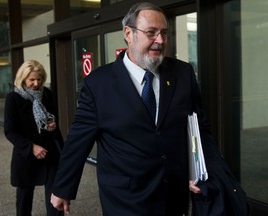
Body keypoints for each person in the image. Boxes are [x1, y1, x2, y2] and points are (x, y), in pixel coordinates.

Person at [51, 2, 249, 216]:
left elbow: (199, 130)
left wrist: (204, 172)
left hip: (173, 194)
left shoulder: (182, 74)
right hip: (125, 198)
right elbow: (78, 140)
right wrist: (62, 189)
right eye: (151, 33)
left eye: (164, 33)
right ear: (128, 33)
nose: (160, 40)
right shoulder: (99, 84)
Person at [4, 60, 64, 216]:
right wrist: (31, 147)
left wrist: (52, 124)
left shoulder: (47, 94)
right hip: (26, 155)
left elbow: (52, 118)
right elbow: (10, 131)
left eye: (39, 79)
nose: (36, 83)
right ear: (23, 78)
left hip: (50, 153)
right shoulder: (13, 98)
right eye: (32, 79)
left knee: (55, 200)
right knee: (24, 201)